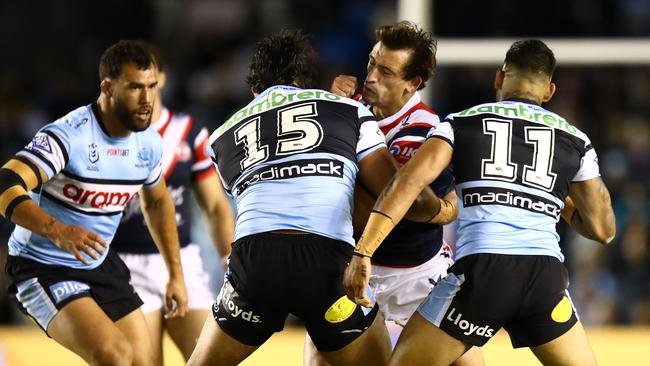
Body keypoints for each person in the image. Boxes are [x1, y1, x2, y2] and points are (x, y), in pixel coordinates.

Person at [344, 39, 616, 366]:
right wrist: (553, 199)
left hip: (483, 274)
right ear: (549, 91)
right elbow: (603, 229)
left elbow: (407, 183)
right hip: (544, 278)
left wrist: (364, 251)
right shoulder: (576, 139)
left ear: (500, 78)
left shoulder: (463, 123)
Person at [186, 30, 441, 366]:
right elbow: (393, 189)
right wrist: (440, 209)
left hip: (255, 263)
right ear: (306, 81)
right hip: (326, 264)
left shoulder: (220, 137)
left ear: (253, 89)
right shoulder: (349, 111)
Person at [0, 40, 188, 366]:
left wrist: (176, 274)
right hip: (43, 267)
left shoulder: (149, 143)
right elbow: (5, 184)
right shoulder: (69, 136)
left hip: (99, 264)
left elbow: (158, 203)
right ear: (107, 87)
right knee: (114, 356)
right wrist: (57, 230)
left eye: (152, 87)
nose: (147, 100)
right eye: (134, 88)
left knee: (145, 362)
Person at [306, 21, 483, 366]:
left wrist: (340, 129)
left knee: (466, 360)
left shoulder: (424, 129)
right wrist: (331, 111)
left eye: (386, 71)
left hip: (414, 277)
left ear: (411, 84)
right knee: (317, 356)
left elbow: (391, 204)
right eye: (372, 62)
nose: (371, 76)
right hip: (357, 270)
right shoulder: (351, 108)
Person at [110, 44, 235, 364]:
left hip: (183, 261)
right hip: (125, 265)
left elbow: (216, 206)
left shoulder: (189, 132)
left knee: (212, 358)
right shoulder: (106, 135)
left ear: (161, 77)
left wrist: (230, 262)